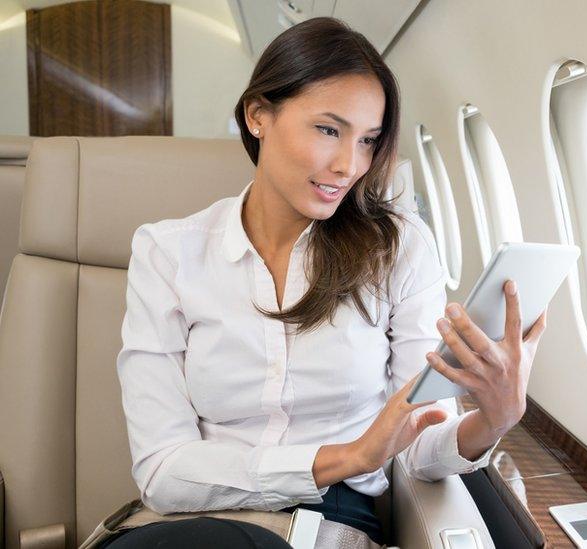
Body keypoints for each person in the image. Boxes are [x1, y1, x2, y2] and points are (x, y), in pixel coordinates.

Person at [101, 16, 548, 548]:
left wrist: (494, 419)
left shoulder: (397, 249)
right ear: (258, 115)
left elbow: (420, 443)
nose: (348, 165)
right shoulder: (167, 252)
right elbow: (162, 470)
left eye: (368, 141)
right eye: (329, 130)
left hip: (327, 526)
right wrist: (350, 457)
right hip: (179, 526)